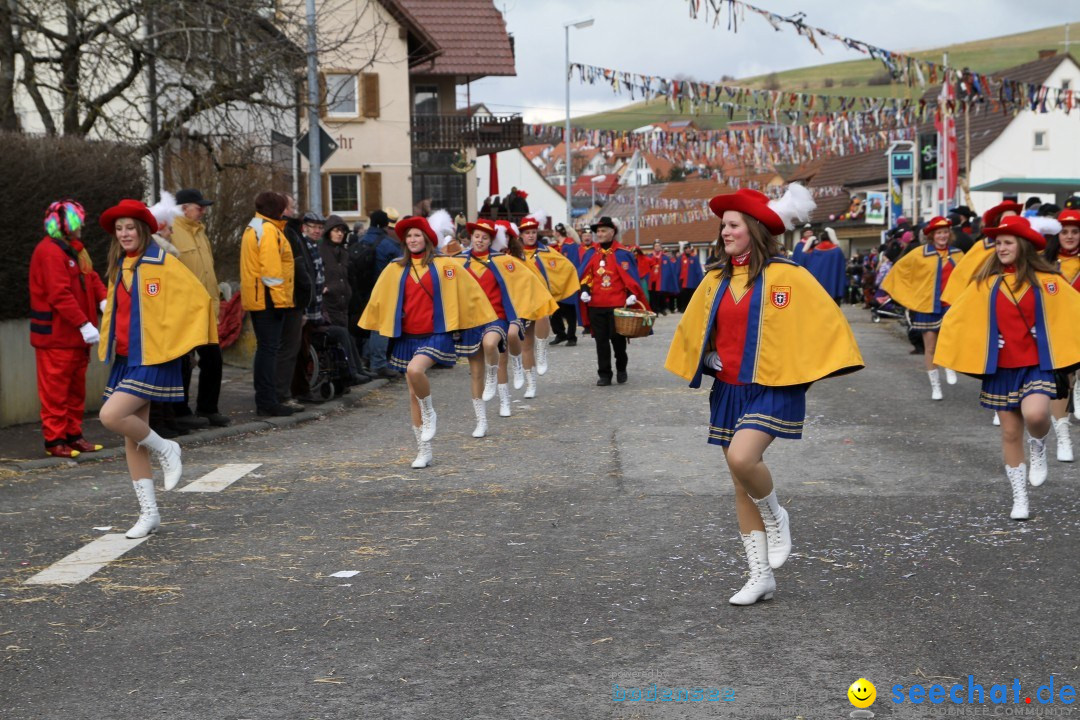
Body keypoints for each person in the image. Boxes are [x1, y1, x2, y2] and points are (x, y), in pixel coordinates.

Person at [665, 185, 864, 605]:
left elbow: (823, 324)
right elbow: (696, 330)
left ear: (754, 228)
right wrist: (708, 355)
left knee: (743, 458)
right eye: (723, 226)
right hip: (729, 389)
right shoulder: (716, 279)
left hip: (774, 387)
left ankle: (776, 514)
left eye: (733, 225)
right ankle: (760, 577)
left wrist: (803, 369)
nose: (725, 232)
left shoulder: (789, 276)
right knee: (740, 483)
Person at [935, 215, 1080, 520]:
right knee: (1011, 433)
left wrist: (1051, 330)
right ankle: (1020, 498)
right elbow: (958, 320)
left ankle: (1039, 443)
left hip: (1038, 365)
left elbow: (1073, 312)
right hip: (1001, 368)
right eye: (998, 242)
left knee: (1036, 415)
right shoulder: (985, 283)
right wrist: (985, 339)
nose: (1001, 247)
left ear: (1022, 245)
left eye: (1007, 242)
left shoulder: (1048, 280)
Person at [96, 199, 216, 538]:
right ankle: (149, 513)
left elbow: (198, 300)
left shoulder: (163, 262)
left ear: (143, 230)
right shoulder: (119, 265)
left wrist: (178, 343)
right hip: (125, 358)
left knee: (111, 416)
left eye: (130, 227)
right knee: (132, 439)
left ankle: (166, 447)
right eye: (119, 229)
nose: (124, 234)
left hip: (152, 358)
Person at [359, 214, 496, 468]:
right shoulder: (394, 268)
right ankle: (423, 450)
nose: (412, 240)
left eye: (417, 235)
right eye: (408, 236)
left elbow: (471, 293)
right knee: (412, 391)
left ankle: (430, 410)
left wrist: (481, 322)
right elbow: (379, 299)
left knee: (415, 370)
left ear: (427, 239)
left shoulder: (446, 265)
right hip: (407, 337)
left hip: (436, 334)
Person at [456, 216, 557, 433]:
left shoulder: (502, 260)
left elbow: (526, 281)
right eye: (476, 236)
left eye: (484, 237)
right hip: (471, 322)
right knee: (475, 373)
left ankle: (504, 398)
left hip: (497, 318)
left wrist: (541, 303)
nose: (480, 241)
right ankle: (481, 421)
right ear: (470, 238)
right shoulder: (459, 261)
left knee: (494, 349)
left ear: (491, 240)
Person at [29, 200, 108, 458]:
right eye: (79, 221)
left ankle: (73, 436)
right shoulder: (50, 252)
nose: (83, 226)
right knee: (55, 392)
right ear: (69, 224)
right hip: (56, 337)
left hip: (75, 337)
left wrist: (104, 300)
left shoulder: (74, 250)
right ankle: (55, 441)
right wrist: (83, 323)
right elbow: (59, 294)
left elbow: (91, 277)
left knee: (75, 391)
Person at [880, 216, 964, 400]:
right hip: (927, 305)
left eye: (945, 232)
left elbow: (967, 277)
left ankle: (949, 364)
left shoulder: (958, 254)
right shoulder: (919, 253)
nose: (942, 235)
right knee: (931, 347)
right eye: (939, 232)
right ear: (932, 235)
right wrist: (909, 296)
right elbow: (899, 270)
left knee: (951, 340)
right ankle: (936, 386)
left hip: (951, 304)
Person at [171, 188, 228, 427]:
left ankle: (207, 408)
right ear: (184, 208)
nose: (203, 211)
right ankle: (180, 411)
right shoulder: (173, 232)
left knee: (213, 360)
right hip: (183, 309)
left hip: (206, 309)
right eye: (199, 206)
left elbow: (208, 270)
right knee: (184, 362)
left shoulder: (201, 233)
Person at [240, 192, 296, 417]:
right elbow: (271, 271)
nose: (287, 210)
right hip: (268, 299)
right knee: (268, 350)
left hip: (260, 297)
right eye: (284, 206)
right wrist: (282, 302)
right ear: (277, 208)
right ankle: (267, 401)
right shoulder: (269, 231)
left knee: (266, 349)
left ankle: (266, 399)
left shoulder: (257, 226)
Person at [577, 217, 650, 386]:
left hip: (617, 305)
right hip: (596, 305)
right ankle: (604, 374)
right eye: (598, 231)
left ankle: (621, 368)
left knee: (617, 340)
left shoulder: (623, 253)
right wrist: (585, 290)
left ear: (612, 232)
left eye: (603, 231)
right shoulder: (591, 253)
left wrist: (632, 294)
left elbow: (631, 278)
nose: (600, 234)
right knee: (600, 342)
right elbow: (586, 275)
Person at [518, 212, 580, 394]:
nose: (530, 235)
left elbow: (566, 267)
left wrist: (557, 290)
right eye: (527, 232)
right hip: (521, 302)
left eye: (533, 232)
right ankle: (531, 384)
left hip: (541, 300)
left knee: (544, 317)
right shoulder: (513, 255)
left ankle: (542, 349)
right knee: (525, 344)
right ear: (521, 235)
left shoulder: (546, 252)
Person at [1044, 209, 1080, 461]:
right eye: (1064, 232)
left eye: (1075, 232)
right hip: (1057, 332)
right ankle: (1064, 438)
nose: (1069, 236)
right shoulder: (1043, 263)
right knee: (1062, 383)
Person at [319, 214, 370, 386]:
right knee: (341, 336)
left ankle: (358, 369)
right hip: (328, 303)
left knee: (347, 335)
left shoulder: (343, 252)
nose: (339, 234)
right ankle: (352, 372)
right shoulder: (321, 250)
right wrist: (323, 289)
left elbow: (347, 276)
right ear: (328, 232)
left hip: (343, 303)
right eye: (336, 230)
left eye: (342, 231)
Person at [277, 194, 313, 411]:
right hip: (289, 301)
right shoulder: (286, 232)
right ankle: (281, 394)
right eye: (291, 206)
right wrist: (304, 295)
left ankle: (284, 393)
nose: (294, 210)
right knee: (285, 350)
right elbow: (297, 269)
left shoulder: (290, 230)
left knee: (289, 350)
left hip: (293, 299)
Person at [362, 209, 403, 379]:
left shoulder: (361, 239)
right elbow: (401, 267)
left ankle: (366, 359)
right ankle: (378, 364)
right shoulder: (389, 244)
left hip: (364, 289)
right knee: (381, 327)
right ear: (386, 224)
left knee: (369, 325)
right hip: (384, 290)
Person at [550, 223, 583, 346]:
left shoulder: (570, 245)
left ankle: (571, 336)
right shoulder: (555, 246)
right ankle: (560, 333)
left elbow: (572, 265)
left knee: (570, 310)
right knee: (554, 310)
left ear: (558, 232)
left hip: (568, 282)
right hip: (556, 283)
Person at [797, 227, 847, 303]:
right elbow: (841, 271)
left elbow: (810, 267)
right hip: (833, 287)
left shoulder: (815, 250)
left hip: (818, 288)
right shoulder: (837, 251)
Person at [646, 240, 679, 317]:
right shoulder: (650, 256)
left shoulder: (665, 257)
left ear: (661, 247)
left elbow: (669, 270)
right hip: (652, 280)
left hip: (661, 281)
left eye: (658, 246)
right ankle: (653, 310)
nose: (657, 247)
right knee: (652, 296)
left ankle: (658, 310)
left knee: (660, 296)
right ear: (653, 247)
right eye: (656, 246)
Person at [676, 243, 704, 312]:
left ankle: (691, 309)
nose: (688, 250)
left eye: (689, 248)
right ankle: (683, 308)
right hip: (683, 281)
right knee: (683, 296)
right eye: (686, 248)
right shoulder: (681, 258)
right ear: (684, 249)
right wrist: (677, 280)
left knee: (691, 296)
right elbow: (677, 270)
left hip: (692, 281)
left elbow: (698, 270)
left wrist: (701, 279)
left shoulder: (694, 258)